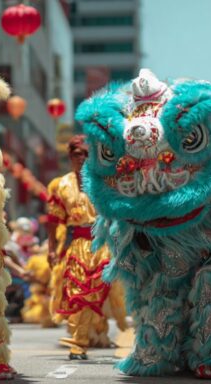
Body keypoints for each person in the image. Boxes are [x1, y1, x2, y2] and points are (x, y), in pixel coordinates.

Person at [46, 135, 127, 360]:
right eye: (77, 154)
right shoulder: (60, 184)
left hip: (102, 242)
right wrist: (52, 249)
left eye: (86, 154)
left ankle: (84, 338)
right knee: (77, 292)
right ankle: (79, 342)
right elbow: (54, 220)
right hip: (77, 245)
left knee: (95, 291)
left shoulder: (105, 181)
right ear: (70, 156)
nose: (81, 158)